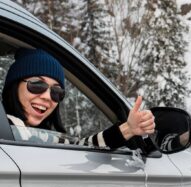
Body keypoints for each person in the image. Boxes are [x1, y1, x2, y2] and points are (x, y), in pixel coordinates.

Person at [2, 48, 155, 149]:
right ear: (14, 86)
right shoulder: (7, 127)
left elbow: (82, 147)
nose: (48, 97)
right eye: (37, 85)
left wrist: (128, 128)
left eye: (56, 92)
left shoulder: (43, 137)